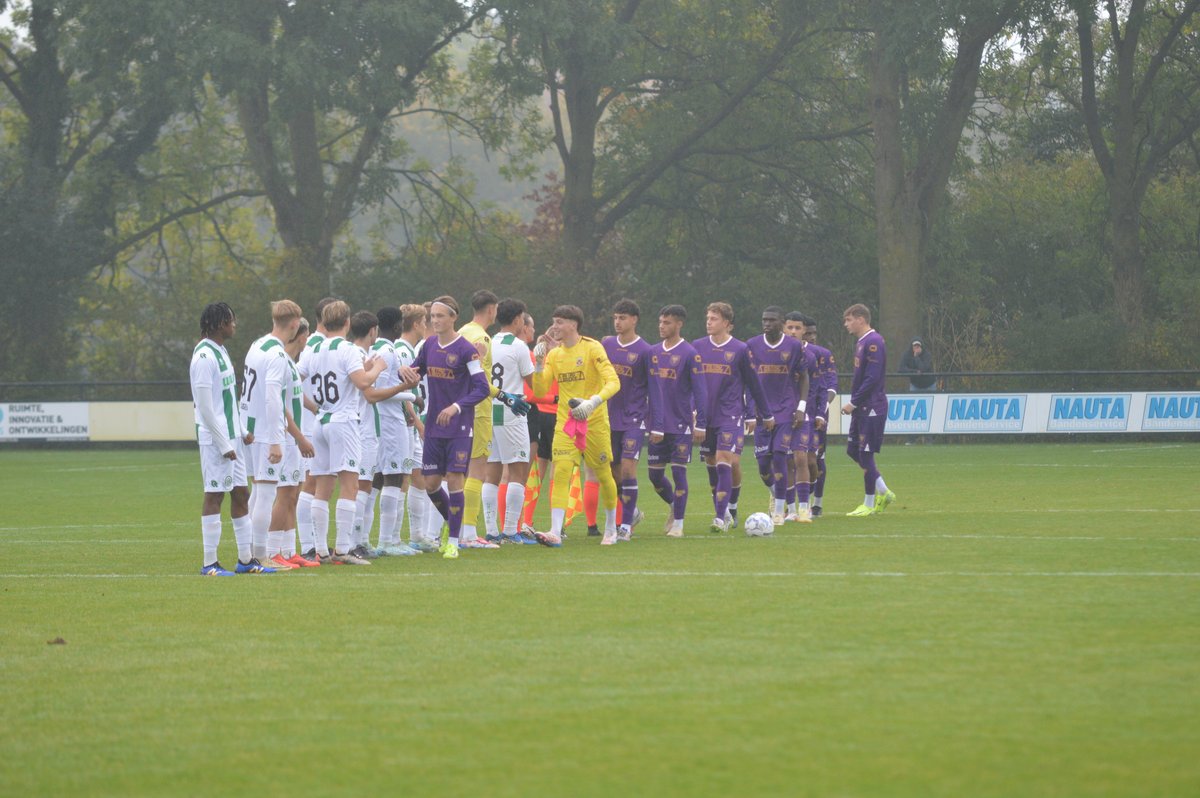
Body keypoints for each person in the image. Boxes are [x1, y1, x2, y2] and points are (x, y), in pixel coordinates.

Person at [399, 295, 493, 559]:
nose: (435, 321)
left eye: (441, 316)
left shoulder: (466, 350)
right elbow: (417, 371)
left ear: (453, 318)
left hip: (459, 427)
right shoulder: (429, 345)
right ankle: (456, 526)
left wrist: (456, 407)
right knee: (430, 484)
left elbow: (482, 388)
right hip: (433, 427)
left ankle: (452, 540)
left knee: (454, 481)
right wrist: (404, 371)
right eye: (433, 317)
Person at [530, 304, 622, 546]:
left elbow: (613, 382)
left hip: (595, 422)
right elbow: (539, 390)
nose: (554, 327)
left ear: (573, 324)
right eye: (554, 321)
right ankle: (555, 531)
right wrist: (538, 363)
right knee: (560, 471)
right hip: (566, 423)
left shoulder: (592, 348)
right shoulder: (554, 355)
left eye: (559, 322)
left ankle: (612, 528)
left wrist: (593, 402)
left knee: (603, 474)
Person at [303, 303, 387, 564]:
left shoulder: (313, 348)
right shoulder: (348, 348)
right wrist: (378, 367)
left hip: (321, 420)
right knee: (350, 485)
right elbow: (363, 382)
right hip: (344, 420)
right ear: (347, 323)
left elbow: (294, 382)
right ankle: (342, 550)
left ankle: (320, 549)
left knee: (322, 487)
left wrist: (313, 406)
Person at [190, 302, 270, 575]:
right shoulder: (203, 357)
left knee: (241, 493)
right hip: (215, 440)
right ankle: (209, 563)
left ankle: (245, 560)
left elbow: (226, 399)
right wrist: (224, 443)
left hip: (232, 437)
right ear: (220, 323)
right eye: (231, 321)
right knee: (214, 495)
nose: (235, 326)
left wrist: (241, 432)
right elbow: (205, 406)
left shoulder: (221, 351)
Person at [693, 302, 773, 534]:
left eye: (714, 318)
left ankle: (722, 516)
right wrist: (692, 411)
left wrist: (763, 413)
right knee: (712, 466)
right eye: (708, 317)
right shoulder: (697, 346)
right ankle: (726, 510)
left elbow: (754, 384)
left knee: (725, 460)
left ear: (727, 323)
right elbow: (690, 384)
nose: (709, 321)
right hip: (705, 416)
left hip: (730, 414)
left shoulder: (740, 349)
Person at [239, 299, 304, 564]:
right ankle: (260, 556)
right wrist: (277, 441)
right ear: (295, 324)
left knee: (257, 494)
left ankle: (251, 553)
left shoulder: (257, 345)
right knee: (266, 495)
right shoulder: (277, 355)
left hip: (250, 429)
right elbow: (272, 397)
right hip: (265, 434)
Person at [647, 304, 708, 537]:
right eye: (661, 322)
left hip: (681, 424)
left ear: (679, 324)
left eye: (667, 322)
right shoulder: (652, 352)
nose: (662, 326)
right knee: (654, 476)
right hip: (657, 425)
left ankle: (679, 524)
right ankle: (674, 504)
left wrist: (700, 423)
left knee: (679, 473)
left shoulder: (690, 353)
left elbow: (701, 391)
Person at [745, 306, 810, 527]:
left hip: (785, 410)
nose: (766, 324)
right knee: (764, 466)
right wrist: (750, 411)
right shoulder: (752, 345)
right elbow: (748, 381)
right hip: (762, 413)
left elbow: (803, 377)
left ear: (781, 322)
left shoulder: (793, 346)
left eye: (771, 320)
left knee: (780, 457)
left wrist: (801, 406)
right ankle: (779, 494)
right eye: (764, 320)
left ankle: (780, 511)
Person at [265, 317, 318, 569]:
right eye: (306, 335)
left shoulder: (291, 363)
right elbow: (281, 408)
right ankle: (273, 551)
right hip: (286, 439)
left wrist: (316, 408)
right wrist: (300, 438)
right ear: (301, 335)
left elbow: (295, 398)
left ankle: (288, 551)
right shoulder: (281, 362)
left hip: (295, 437)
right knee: (284, 494)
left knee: (294, 493)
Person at [485, 298, 538, 544]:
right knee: (518, 470)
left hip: (488, 409)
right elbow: (532, 381)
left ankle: (491, 530)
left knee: (491, 472)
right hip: (512, 410)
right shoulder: (518, 346)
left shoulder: (488, 342)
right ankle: (509, 531)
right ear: (518, 319)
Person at [369, 307, 421, 556]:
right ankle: (386, 542)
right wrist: (412, 396)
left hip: (385, 422)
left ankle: (378, 539)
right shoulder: (388, 351)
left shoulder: (377, 348)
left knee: (379, 479)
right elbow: (380, 390)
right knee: (394, 477)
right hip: (389, 423)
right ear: (399, 326)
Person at [602, 299, 654, 541]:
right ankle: (631, 513)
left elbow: (654, 390)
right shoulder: (607, 344)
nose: (617, 322)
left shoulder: (645, 350)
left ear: (634, 320)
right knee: (612, 473)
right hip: (607, 419)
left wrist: (657, 423)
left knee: (627, 468)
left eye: (622, 318)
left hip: (634, 419)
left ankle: (624, 527)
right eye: (615, 318)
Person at [841, 303, 897, 516]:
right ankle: (884, 491)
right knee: (853, 451)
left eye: (848, 320)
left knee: (865, 454)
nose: (846, 324)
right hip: (862, 407)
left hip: (872, 407)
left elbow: (872, 378)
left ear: (861, 319)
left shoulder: (873, 342)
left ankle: (869, 503)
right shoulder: (862, 342)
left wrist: (853, 402)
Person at [457, 289, 502, 549]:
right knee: (477, 470)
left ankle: (463, 531)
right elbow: (481, 380)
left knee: (462, 472)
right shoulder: (482, 337)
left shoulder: (462, 331)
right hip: (480, 409)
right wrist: (503, 395)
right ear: (491, 309)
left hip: (461, 407)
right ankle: (470, 534)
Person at [295, 297, 338, 560]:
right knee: (311, 484)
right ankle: (309, 545)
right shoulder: (315, 345)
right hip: (312, 425)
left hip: (319, 424)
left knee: (320, 484)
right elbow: (294, 383)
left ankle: (315, 545)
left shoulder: (319, 343)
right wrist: (313, 408)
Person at [395, 303, 439, 551]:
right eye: (425, 321)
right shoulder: (404, 350)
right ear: (416, 324)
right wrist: (418, 420)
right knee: (404, 478)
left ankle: (417, 535)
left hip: (412, 422)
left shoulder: (409, 348)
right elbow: (404, 389)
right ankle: (397, 537)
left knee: (418, 477)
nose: (427, 325)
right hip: (407, 423)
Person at [799, 314, 837, 517]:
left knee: (816, 460)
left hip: (817, 415)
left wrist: (821, 409)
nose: (812, 337)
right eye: (808, 332)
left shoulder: (823, 354)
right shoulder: (794, 351)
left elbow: (830, 386)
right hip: (795, 413)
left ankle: (817, 503)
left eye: (814, 333)